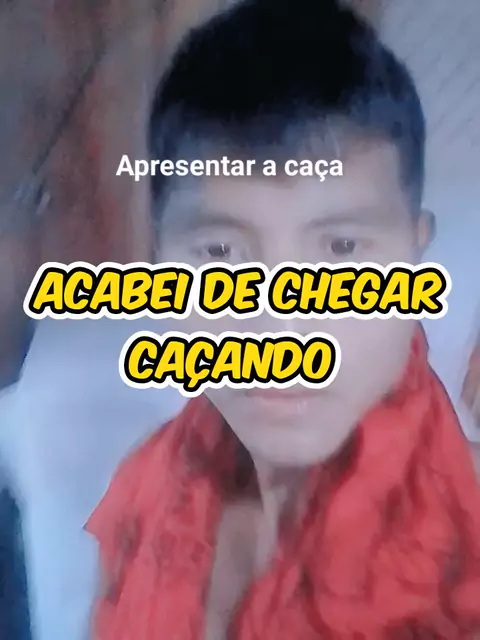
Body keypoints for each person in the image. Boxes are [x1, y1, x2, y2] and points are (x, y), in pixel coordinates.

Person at [86, 0, 480, 637]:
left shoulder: (468, 540)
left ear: (415, 255)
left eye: (342, 250)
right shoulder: (148, 491)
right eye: (221, 254)